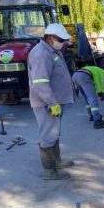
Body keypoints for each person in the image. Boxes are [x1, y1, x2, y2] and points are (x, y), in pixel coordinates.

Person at [27, 23, 74, 180]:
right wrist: (52, 103)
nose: (64, 42)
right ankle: (49, 171)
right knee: (48, 135)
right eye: (61, 39)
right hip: (47, 103)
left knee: (54, 132)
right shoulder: (41, 54)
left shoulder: (52, 50)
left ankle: (57, 161)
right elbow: (40, 82)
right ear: (51, 38)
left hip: (55, 101)